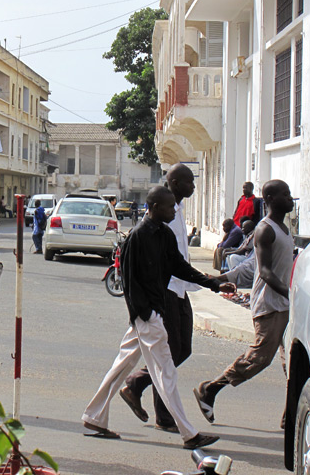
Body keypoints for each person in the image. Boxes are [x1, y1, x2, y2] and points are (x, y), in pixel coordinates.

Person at [81, 185, 235, 449]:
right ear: (153, 207)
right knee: (166, 372)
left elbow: (178, 267)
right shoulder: (137, 237)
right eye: (168, 206)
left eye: (174, 205)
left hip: (152, 314)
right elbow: (128, 282)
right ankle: (189, 434)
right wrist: (143, 315)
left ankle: (94, 416)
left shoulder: (164, 234)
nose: (174, 210)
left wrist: (213, 283)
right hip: (147, 315)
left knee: (123, 366)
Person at [194, 179, 295, 424]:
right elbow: (265, 272)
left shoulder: (284, 228)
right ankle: (210, 389)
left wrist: (223, 278)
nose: (290, 198)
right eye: (285, 194)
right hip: (270, 305)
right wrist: (292, 293)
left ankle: (290, 416)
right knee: (259, 358)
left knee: (292, 362)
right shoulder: (265, 229)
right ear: (270, 199)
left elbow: (252, 265)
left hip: (284, 304)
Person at [121, 163, 199, 433]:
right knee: (170, 351)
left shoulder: (175, 211)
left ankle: (136, 383)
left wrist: (209, 281)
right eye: (190, 182)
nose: (193, 186)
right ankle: (163, 415)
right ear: (175, 183)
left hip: (180, 288)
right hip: (165, 291)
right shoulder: (161, 214)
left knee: (183, 349)